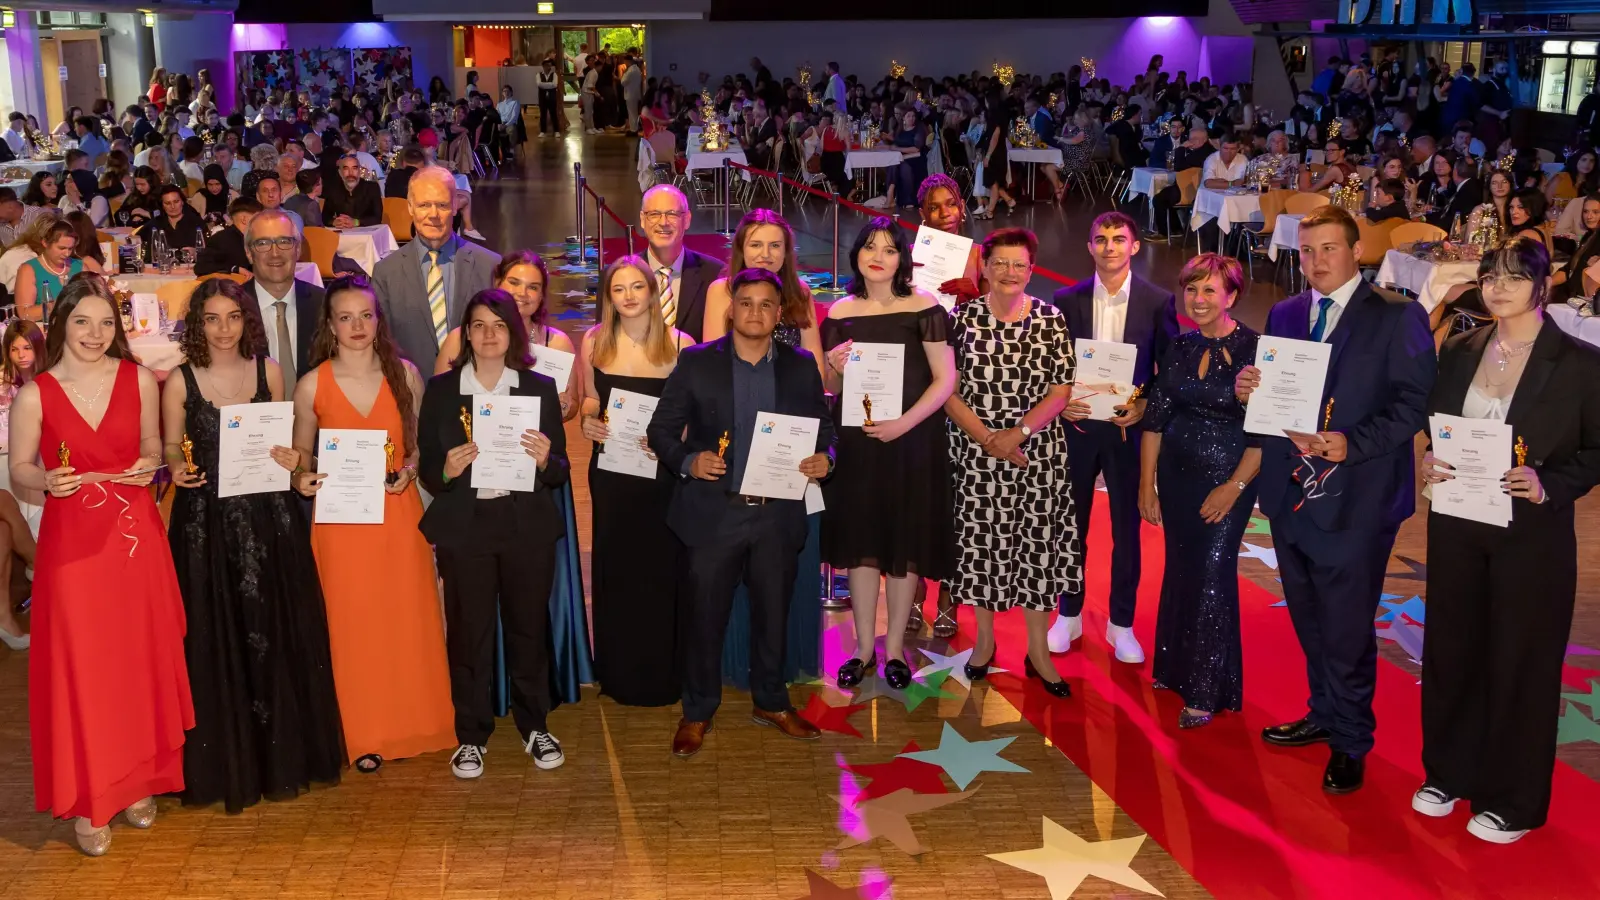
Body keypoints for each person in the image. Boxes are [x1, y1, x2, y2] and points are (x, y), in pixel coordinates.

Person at [1234, 204, 1435, 794]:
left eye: (1328, 249)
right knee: (1310, 620)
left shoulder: (1397, 315)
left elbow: (1413, 403)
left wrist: (1355, 443)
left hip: (1359, 500)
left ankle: (1351, 740)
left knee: (1346, 627)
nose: (1316, 261)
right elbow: (1277, 396)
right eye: (1307, 250)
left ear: (1356, 253)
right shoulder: (1286, 311)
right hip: (1291, 493)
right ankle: (1324, 712)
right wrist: (1251, 385)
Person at [1416, 236, 1600, 844]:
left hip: (1532, 533)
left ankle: (1514, 801)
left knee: (1521, 660)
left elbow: (1595, 451)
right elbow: (1439, 426)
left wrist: (1548, 483)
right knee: (1453, 646)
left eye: (1514, 278)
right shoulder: (1462, 346)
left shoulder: (1579, 361)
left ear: (1542, 286)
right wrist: (1430, 464)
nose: (1497, 287)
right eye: (1491, 276)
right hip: (1459, 520)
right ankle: (1448, 772)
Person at [8, 274, 192, 855]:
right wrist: (47, 478)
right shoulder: (37, 393)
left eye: (106, 322)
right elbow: (19, 471)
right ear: (60, 323)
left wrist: (148, 467)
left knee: (137, 660)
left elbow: (151, 448)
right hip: (73, 546)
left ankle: (138, 780)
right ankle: (92, 797)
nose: (95, 333)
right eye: (83, 321)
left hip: (134, 537)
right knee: (86, 669)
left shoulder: (139, 379)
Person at [161, 278, 344, 813]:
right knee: (217, 636)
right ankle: (225, 762)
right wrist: (176, 466)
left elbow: (286, 442)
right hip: (206, 523)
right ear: (198, 324)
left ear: (248, 321)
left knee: (273, 628)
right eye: (212, 319)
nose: (223, 329)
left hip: (269, 519)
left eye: (233, 318)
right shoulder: (179, 381)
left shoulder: (270, 372)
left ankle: (279, 755)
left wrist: (293, 461)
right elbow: (172, 443)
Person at [648, 266, 834, 758]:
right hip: (714, 513)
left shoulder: (799, 366)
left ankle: (771, 702)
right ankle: (698, 711)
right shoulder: (696, 362)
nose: (755, 312)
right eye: (746, 302)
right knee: (705, 616)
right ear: (732, 308)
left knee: (773, 614)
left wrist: (826, 458)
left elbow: (825, 428)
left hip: (777, 514)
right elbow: (660, 431)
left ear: (780, 312)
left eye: (766, 304)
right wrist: (689, 460)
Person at [289, 275, 455, 773]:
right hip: (340, 522)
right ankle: (361, 731)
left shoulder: (405, 375)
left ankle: (417, 724)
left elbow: (422, 448)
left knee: (407, 615)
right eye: (345, 317)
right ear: (331, 326)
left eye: (365, 315)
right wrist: (299, 476)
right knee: (351, 623)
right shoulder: (311, 383)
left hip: (398, 513)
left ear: (378, 319)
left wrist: (409, 471)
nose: (357, 326)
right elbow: (301, 453)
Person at [418, 289, 570, 777]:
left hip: (524, 524)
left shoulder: (538, 387)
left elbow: (560, 470)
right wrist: (445, 469)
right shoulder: (442, 390)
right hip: (467, 527)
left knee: (528, 630)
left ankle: (535, 725)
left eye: (499, 325)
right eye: (478, 325)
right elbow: (428, 475)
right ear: (465, 332)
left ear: (514, 333)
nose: (488, 335)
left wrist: (547, 459)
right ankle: (471, 735)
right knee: (469, 634)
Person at [943, 228, 1076, 697]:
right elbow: (946, 391)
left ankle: (1038, 652)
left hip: (1035, 454)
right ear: (983, 266)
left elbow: (1061, 390)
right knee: (981, 547)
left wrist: (1016, 433)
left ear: (1031, 270)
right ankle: (983, 642)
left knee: (1037, 549)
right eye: (999, 263)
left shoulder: (1051, 319)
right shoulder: (960, 320)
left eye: (1019, 265)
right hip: (975, 455)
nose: (1008, 273)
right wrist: (986, 438)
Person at [823, 220, 956, 689]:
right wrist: (834, 370)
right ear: (856, 254)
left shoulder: (924, 307)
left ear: (903, 259)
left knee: (903, 545)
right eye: (869, 247)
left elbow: (945, 380)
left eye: (889, 249)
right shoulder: (839, 311)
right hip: (858, 443)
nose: (878, 256)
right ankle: (862, 649)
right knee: (862, 547)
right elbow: (831, 389)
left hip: (911, 441)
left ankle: (895, 647)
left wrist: (903, 423)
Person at [698, 210, 826, 684]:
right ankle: (734, 665)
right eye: (756, 245)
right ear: (741, 249)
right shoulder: (722, 292)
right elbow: (712, 366)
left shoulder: (800, 295)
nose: (766, 254)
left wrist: (831, 364)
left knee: (784, 560)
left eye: (775, 246)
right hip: (738, 438)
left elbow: (815, 371)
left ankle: (782, 666)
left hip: (788, 451)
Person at [1049, 211, 1179, 659]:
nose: (1109, 247)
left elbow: (1170, 370)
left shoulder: (1158, 302)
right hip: (1077, 427)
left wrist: (1145, 405)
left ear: (1134, 246)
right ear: (1089, 247)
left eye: (1118, 239)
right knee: (1071, 526)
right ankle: (1067, 614)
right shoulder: (1066, 300)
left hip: (1128, 432)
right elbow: (1052, 366)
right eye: (1101, 239)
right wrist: (1060, 402)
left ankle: (1121, 623)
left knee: (1127, 530)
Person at [1138, 254, 1260, 728]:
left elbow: (1265, 434)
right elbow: (1155, 419)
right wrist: (1147, 484)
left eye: (1210, 290)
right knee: (1182, 567)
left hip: (1231, 476)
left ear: (1231, 295)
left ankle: (1208, 689)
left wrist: (1234, 486)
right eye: (1192, 289)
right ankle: (1173, 667)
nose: (1199, 299)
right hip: (1177, 476)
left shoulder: (1256, 350)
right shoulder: (1180, 346)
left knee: (1213, 572)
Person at [580, 256, 695, 706]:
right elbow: (590, 400)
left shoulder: (681, 343)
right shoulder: (594, 340)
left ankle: (666, 672)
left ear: (653, 291)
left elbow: (692, 415)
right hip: (612, 472)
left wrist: (677, 438)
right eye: (618, 289)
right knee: (618, 566)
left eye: (636, 287)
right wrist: (589, 423)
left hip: (661, 474)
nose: (628, 297)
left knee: (664, 568)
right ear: (608, 298)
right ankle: (618, 671)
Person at [373, 166, 501, 373]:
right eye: (424, 205)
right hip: (412, 392)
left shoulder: (489, 265)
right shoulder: (385, 273)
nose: (433, 215)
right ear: (410, 207)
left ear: (454, 205)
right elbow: (381, 342)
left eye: (441, 205)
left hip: (477, 391)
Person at [242, 209, 324, 391]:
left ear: (298, 249)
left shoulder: (325, 305)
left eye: (284, 241)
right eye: (263, 243)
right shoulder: (232, 309)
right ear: (249, 252)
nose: (275, 253)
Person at [638, 184, 722, 341]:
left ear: (687, 220)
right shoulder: (618, 276)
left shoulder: (714, 274)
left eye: (672, 214)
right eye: (654, 214)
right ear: (642, 220)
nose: (663, 222)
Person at [14, 218, 93, 321]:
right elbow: (25, 314)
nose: (67, 254)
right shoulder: (29, 270)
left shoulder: (79, 266)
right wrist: (57, 304)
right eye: (62, 248)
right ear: (45, 243)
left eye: (70, 248)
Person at [194, 197, 261, 277]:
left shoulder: (256, 239)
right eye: (258, 217)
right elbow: (201, 267)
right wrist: (235, 269)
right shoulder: (221, 239)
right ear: (244, 219)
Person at [137, 184, 205, 261]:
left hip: (190, 269)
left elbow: (210, 252)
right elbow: (134, 240)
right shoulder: (155, 224)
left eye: (176, 201)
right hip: (162, 269)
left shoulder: (196, 222)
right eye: (167, 203)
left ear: (182, 202)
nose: (173, 206)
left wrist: (196, 253)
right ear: (162, 205)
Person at [323, 153, 384, 228]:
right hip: (342, 232)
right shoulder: (333, 189)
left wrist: (356, 222)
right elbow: (325, 217)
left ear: (359, 171)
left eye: (354, 168)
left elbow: (377, 218)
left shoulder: (372, 188)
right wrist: (334, 222)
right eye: (346, 168)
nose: (350, 173)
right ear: (340, 172)